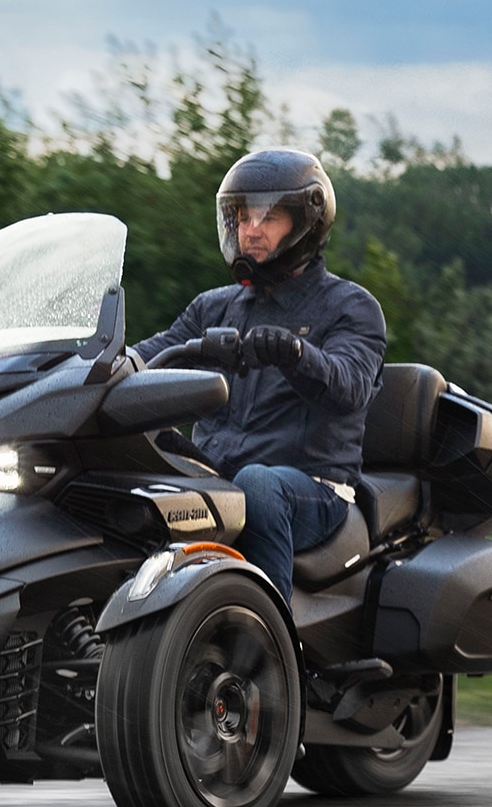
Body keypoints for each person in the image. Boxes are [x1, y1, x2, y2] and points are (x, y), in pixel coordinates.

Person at [131, 148, 386, 601]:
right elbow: (150, 356)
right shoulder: (214, 307)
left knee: (256, 484)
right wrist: (84, 361)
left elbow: (349, 388)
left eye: (268, 218)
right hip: (218, 478)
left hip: (312, 487)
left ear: (306, 224)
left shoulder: (351, 307)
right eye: (242, 217)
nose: (250, 230)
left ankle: (271, 647)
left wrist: (295, 353)